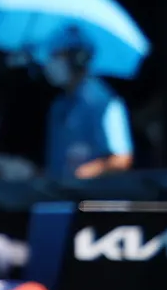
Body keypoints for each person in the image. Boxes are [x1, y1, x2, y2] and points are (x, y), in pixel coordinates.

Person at [41, 33, 133, 180]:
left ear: (78, 59)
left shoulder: (105, 102)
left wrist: (86, 172)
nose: (53, 62)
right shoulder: (58, 106)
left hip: (94, 198)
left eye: (59, 56)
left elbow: (122, 159)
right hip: (61, 198)